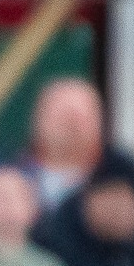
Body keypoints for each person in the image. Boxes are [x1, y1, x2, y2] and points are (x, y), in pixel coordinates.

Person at [24, 76, 105, 211]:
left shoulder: (124, 185)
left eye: (79, 118)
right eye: (63, 117)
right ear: (39, 121)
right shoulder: (6, 182)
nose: (71, 127)